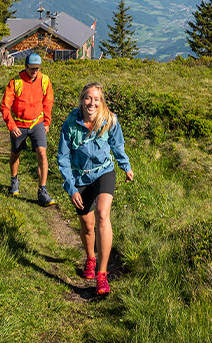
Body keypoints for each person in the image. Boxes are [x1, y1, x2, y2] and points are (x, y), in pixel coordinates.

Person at [57, 82, 134, 296]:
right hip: (80, 176)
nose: (92, 103)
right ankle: (91, 257)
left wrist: (125, 167)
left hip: (104, 172)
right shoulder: (70, 125)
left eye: (97, 99)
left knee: (102, 214)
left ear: (102, 102)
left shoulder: (109, 120)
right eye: (88, 98)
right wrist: (71, 188)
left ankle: (102, 275)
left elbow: (118, 146)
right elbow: (62, 158)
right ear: (82, 100)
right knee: (87, 225)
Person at [1, 53, 56, 207]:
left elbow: (48, 101)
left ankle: (42, 191)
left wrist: (46, 122)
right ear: (25, 67)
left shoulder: (44, 80)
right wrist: (11, 126)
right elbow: (5, 106)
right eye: (32, 68)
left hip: (37, 123)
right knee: (15, 153)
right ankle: (14, 180)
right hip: (19, 125)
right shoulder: (15, 82)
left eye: (37, 69)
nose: (34, 72)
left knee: (42, 153)